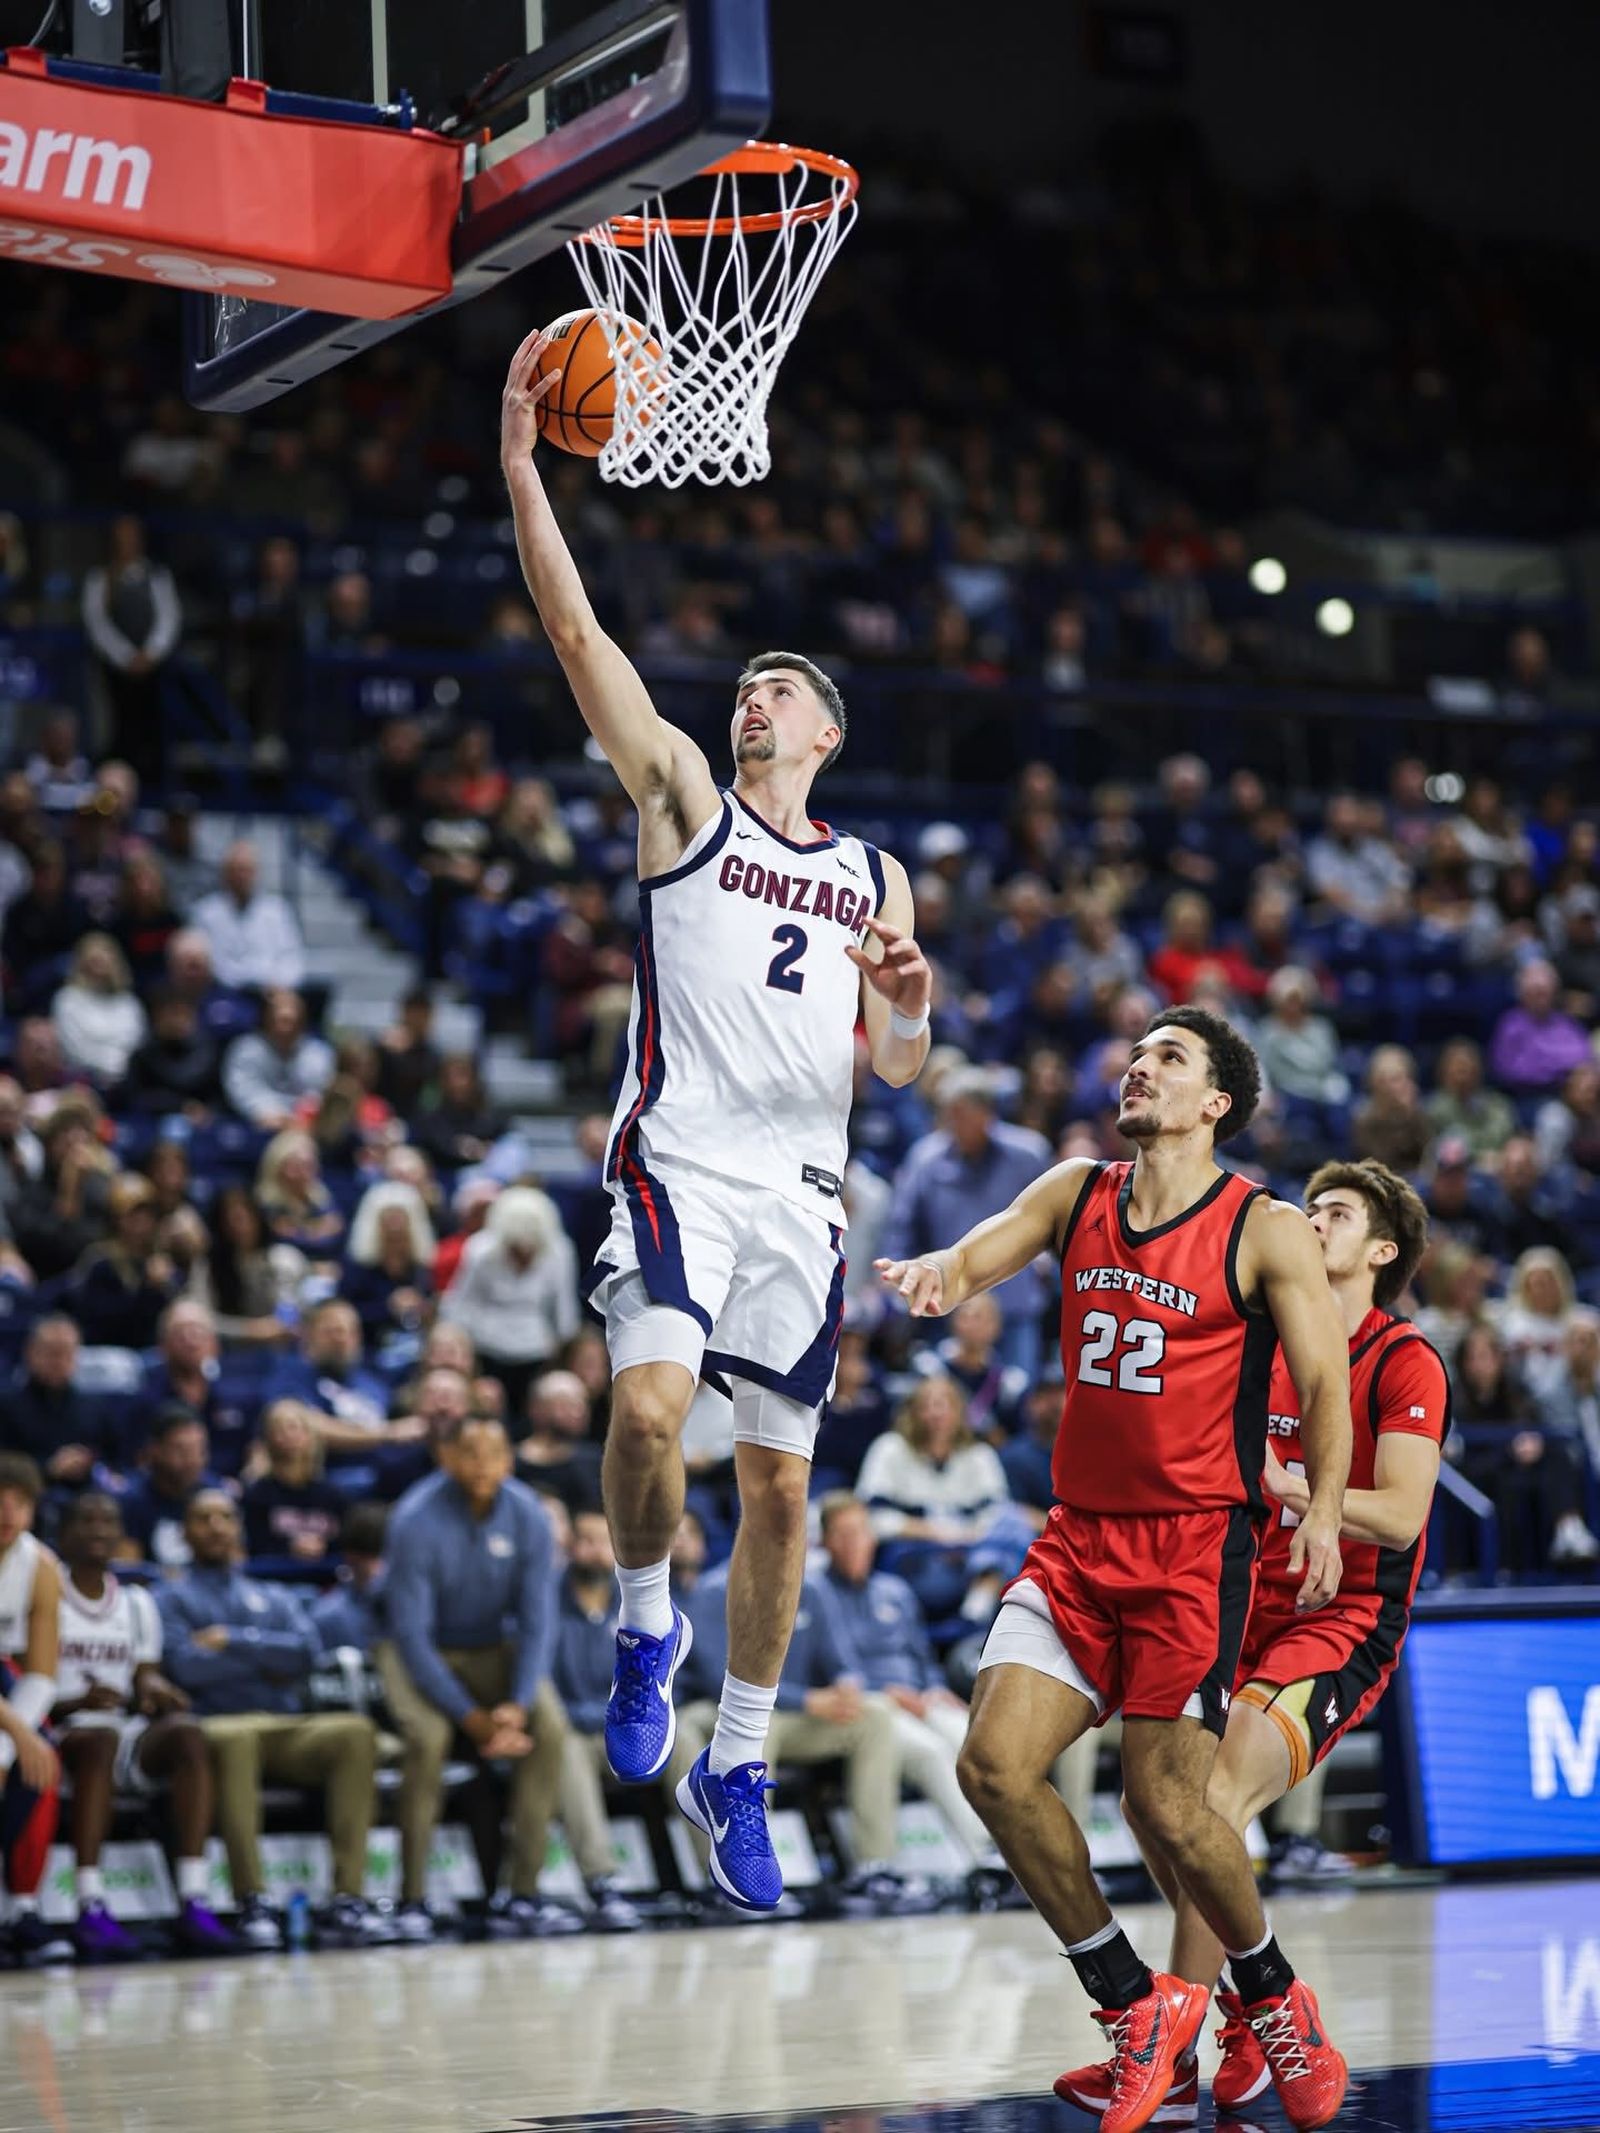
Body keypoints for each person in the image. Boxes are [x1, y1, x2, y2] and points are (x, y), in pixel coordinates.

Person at [502, 327, 931, 1914]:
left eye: (782, 693)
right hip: (681, 1162)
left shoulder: (873, 873)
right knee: (641, 1418)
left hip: (804, 1200)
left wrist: (908, 990)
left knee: (778, 1488)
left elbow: (898, 1066)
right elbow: (573, 633)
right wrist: (520, 467)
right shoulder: (677, 792)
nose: (753, 699)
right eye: (747, 685)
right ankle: (639, 1623)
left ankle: (734, 1755)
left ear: (823, 733)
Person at [876, 1006, 1352, 2133]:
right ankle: (1129, 2005)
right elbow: (981, 1246)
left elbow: (1326, 1384)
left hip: (1194, 1547)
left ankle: (1274, 1998)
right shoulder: (1075, 1189)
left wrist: (1325, 1515)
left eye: (1168, 1060)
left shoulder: (1263, 1227)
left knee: (1170, 1810)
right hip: (1077, 1542)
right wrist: (943, 1274)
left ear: (1215, 1103)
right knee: (990, 1766)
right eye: (1135, 1055)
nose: (1138, 1069)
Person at [1061, 1160, 1444, 2118]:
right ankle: (1248, 2001)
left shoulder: (1405, 1360)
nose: (1313, 1219)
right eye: (1309, 1206)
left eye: (1339, 1212)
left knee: (1214, 1791)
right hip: (1235, 1603)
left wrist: (1294, 1490)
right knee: (1152, 1804)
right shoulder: (1261, 1335)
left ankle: (1175, 2035)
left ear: (1382, 1251)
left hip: (1338, 1618)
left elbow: (1399, 1516)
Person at [156, 1491, 387, 1949]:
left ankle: (347, 1899)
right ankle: (252, 1899)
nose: (216, 1526)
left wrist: (231, 1641)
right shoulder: (169, 1598)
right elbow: (186, 1667)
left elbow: (305, 1655)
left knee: (354, 1733)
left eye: (225, 1517)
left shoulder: (272, 1593)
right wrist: (265, 1657)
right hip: (217, 1724)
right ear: (184, 1533)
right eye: (203, 1518)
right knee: (238, 1739)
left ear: (239, 1528)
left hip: (284, 1725)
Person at [378, 1415, 575, 1943]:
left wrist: (515, 1703)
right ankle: (411, 1898)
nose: (483, 1463)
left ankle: (522, 1893)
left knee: (549, 1728)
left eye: (494, 1452)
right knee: (430, 1738)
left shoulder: (529, 1515)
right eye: (470, 1451)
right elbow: (412, 1638)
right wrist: (473, 1720)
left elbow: (538, 1622)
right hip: (417, 1652)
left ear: (510, 1461)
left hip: (492, 1648)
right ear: (446, 1458)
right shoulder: (414, 1520)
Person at [665, 1513, 910, 1914]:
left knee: (877, 1715)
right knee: (762, 1726)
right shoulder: (713, 1591)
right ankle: (745, 1860)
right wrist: (807, 1700)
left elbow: (841, 1660)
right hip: (734, 1711)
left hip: (796, 1717)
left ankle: (874, 1866)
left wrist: (847, 1685)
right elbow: (717, 1678)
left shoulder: (811, 1588)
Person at [51, 1492, 236, 1957]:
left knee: (187, 1733)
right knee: (98, 1742)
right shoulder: (48, 1595)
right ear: (63, 1534)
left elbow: (143, 1673)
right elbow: (20, 1682)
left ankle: (193, 1897)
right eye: (86, 1520)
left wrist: (156, 1689)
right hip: (57, 1732)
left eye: (108, 1521)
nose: (98, 1530)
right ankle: (89, 1903)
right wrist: (75, 1699)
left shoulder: (135, 1602)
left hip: (118, 1729)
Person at [816, 1491, 1003, 1871]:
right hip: (870, 1705)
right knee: (931, 1752)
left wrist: (935, 1688)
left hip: (920, 1698)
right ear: (826, 1542)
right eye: (843, 1534)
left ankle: (1016, 1850)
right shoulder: (817, 1593)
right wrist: (888, 1694)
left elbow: (923, 1657)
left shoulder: (895, 1591)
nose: (854, 1543)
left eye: (861, 1532)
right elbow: (830, 1667)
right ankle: (985, 1856)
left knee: (974, 1738)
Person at [883, 1072, 1052, 1381]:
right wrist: (896, 1273)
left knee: (1018, 1396)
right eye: (949, 1114)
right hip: (948, 1301)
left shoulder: (1028, 1155)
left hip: (1014, 1301)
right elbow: (903, 1226)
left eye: (962, 1114)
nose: (954, 1124)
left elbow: (1054, 1219)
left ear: (987, 1114)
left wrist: (1047, 1266)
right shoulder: (926, 1159)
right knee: (947, 1398)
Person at [546, 1507, 652, 1931]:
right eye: (584, 1540)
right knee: (567, 1750)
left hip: (632, 1731)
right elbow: (543, 1692)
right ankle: (603, 1880)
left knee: (687, 1743)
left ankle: (718, 1875)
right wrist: (605, 1715)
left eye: (602, 1541)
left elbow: (658, 1679)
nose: (592, 1551)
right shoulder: (546, 1603)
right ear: (570, 1547)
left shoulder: (639, 1603)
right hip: (578, 1732)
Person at [0, 1452, 67, 1965]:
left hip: (8, 1687)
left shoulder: (41, 1566)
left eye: (19, 1502)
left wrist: (19, 1739)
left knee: (41, 1765)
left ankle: (22, 1906)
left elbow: (42, 1674)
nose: (7, 1511)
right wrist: (16, 1735)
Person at [192, 843, 306, 994]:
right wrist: (244, 981)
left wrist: (279, 984)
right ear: (225, 873)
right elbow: (208, 963)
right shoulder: (205, 912)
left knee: (287, 1010)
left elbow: (292, 957)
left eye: (246, 870)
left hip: (272, 991)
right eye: (236, 870)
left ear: (257, 872)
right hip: (223, 990)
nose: (242, 876)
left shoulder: (277, 910)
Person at [240, 1401, 345, 1563]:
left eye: (293, 1428)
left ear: (310, 1435)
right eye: (279, 1430)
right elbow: (254, 1546)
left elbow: (345, 1544)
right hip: (271, 1582)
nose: (288, 1435)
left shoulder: (333, 1495)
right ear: (268, 1439)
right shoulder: (257, 1495)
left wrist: (324, 1547)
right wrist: (289, 1548)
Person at [120, 1407, 221, 1568]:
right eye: (181, 1450)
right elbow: (129, 1570)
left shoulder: (215, 1495)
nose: (192, 1460)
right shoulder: (131, 1500)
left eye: (199, 1450)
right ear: (155, 1450)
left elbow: (234, 1563)